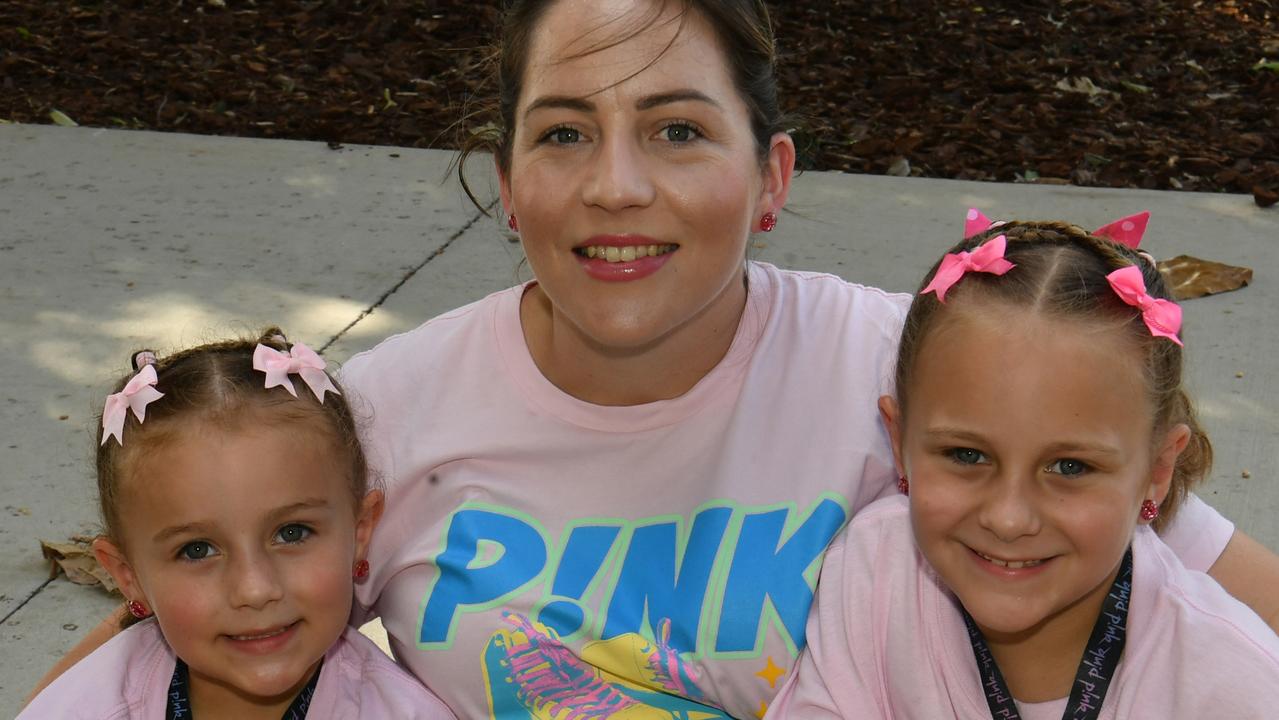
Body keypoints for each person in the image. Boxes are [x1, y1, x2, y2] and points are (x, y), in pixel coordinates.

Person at [34, 1, 1279, 717]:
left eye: (679, 130)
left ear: (771, 175)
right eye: (564, 132)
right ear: (509, 185)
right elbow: (177, 615)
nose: (616, 187)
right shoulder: (381, 415)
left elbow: (1190, 566)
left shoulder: (910, 371)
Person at [767, 214, 1279, 718]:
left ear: (1158, 470)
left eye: (1070, 467)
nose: (1009, 519)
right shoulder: (875, 572)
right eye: (967, 455)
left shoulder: (1232, 685)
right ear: (899, 442)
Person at [20, 330, 455, 719]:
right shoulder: (91, 704)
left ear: (360, 532)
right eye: (197, 549)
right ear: (127, 575)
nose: (254, 589)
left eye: (292, 533)